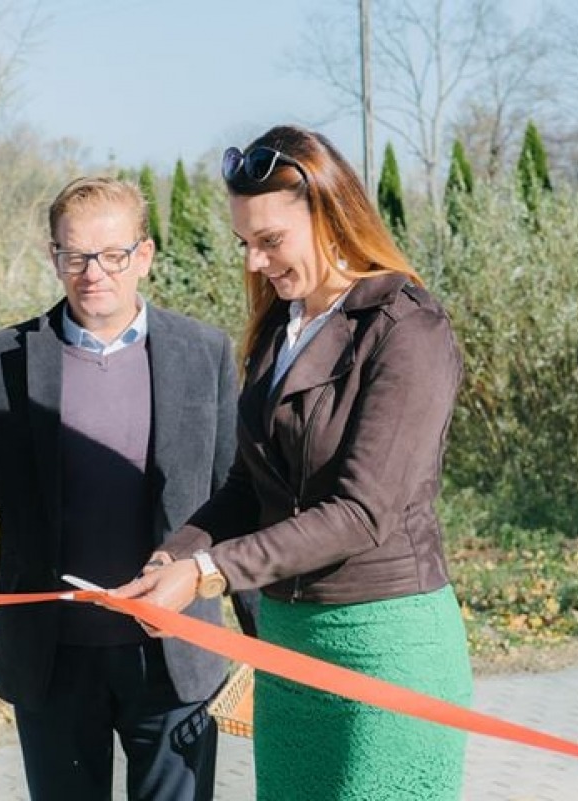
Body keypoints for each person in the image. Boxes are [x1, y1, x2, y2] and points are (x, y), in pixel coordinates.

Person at [113, 125, 474, 800]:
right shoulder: (281, 329)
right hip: (287, 646)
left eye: (270, 241)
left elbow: (362, 512)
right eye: (245, 243)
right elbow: (251, 485)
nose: (254, 262)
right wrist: (176, 556)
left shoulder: (407, 329)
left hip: (384, 648)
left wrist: (208, 571)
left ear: (332, 216)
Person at [0, 176, 248, 801]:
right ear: (54, 258)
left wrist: (262, 642)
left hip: (175, 657)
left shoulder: (204, 353)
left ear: (144, 256)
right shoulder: (2, 361)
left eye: (113, 254)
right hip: (52, 662)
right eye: (76, 256)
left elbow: (237, 502)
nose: (94, 272)